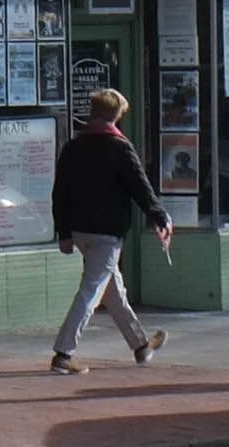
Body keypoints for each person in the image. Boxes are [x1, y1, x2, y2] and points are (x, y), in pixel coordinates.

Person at [49, 86, 172, 375]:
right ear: (116, 116)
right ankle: (63, 353)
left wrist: (63, 233)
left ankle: (141, 346)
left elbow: (60, 193)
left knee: (113, 291)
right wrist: (159, 216)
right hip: (106, 233)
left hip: (80, 231)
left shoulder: (73, 147)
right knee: (91, 291)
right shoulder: (119, 147)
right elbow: (139, 186)